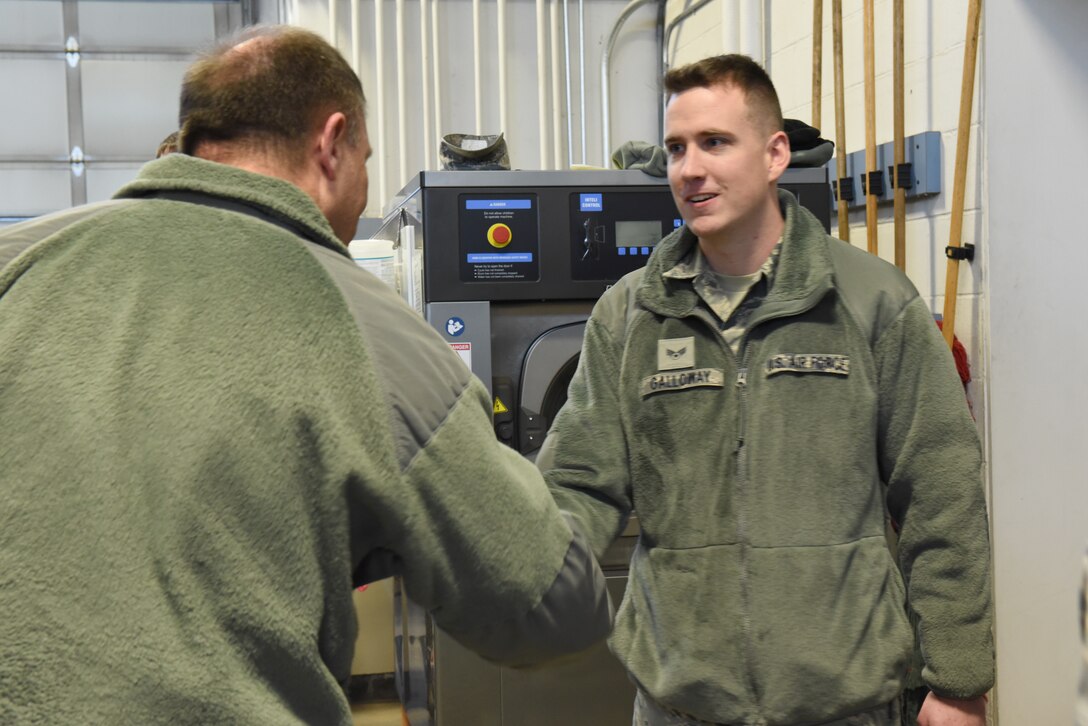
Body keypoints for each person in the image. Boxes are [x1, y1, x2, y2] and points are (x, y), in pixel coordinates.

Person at [0, 26, 611, 725]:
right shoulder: (366, 327)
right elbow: (548, 604)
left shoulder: (18, 263)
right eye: (366, 161)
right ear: (332, 142)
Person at [537, 54, 994, 726]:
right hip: (679, 705)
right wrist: (518, 573)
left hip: (844, 704)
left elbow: (941, 493)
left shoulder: (871, 301)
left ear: (776, 154)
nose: (690, 169)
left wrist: (957, 680)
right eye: (676, 148)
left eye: (715, 142)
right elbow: (578, 482)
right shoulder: (631, 314)